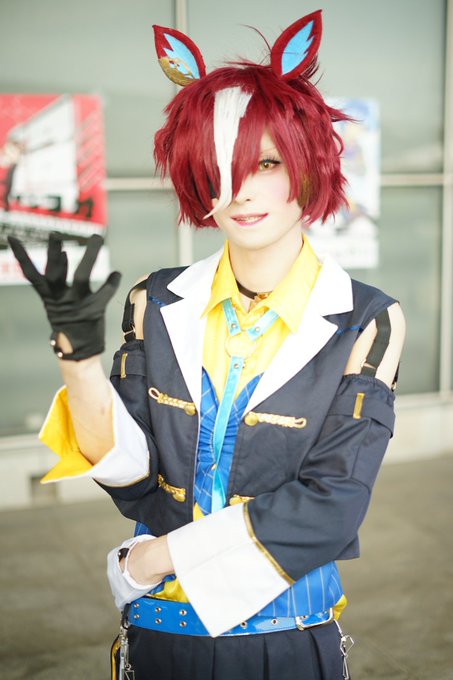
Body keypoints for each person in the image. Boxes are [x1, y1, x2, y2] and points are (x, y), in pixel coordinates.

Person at [9, 10, 406, 680]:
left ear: (308, 165)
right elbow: (131, 475)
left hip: (285, 642)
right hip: (160, 639)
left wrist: (152, 560)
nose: (240, 191)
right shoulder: (156, 301)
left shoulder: (366, 319)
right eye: (218, 168)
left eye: (267, 162)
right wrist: (77, 359)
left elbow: (331, 508)